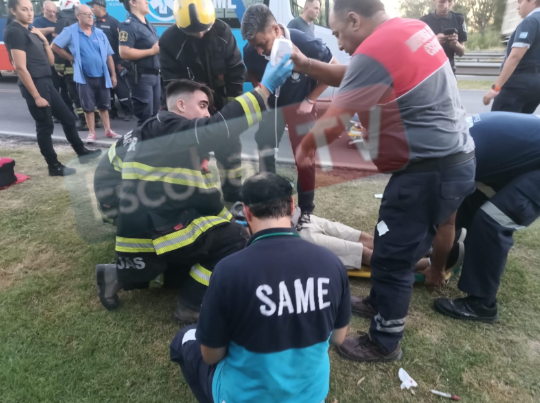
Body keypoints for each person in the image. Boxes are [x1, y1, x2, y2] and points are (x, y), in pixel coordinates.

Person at [292, 0, 476, 362]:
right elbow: (356, 75)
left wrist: (305, 149)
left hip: (427, 172)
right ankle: (378, 301)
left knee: (392, 259)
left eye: (339, 34)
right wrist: (307, 64)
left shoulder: (372, 52)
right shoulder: (412, 30)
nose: (340, 43)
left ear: (354, 20)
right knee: (391, 236)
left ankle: (384, 341)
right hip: (454, 162)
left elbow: (333, 124)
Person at [94, 57, 293, 323]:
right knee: (235, 240)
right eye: (202, 106)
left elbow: (189, 190)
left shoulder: (150, 130)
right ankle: (191, 305)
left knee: (200, 253)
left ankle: (116, 275)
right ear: (179, 105)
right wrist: (263, 90)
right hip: (152, 221)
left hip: (137, 217)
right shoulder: (167, 127)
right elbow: (217, 130)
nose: (208, 113)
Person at [170, 172, 351, 403]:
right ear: (292, 205)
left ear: (246, 211)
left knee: (184, 338)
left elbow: (210, 354)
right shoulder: (332, 263)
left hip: (243, 397)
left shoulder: (228, 271)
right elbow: (338, 338)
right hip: (311, 396)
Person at [433, 112, 540, 322]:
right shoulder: (446, 136)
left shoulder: (449, 154)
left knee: (493, 220)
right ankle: (453, 256)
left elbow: (447, 220)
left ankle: (482, 304)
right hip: (527, 155)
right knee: (470, 201)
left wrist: (436, 268)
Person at [241, 4, 338, 216]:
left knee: (304, 156)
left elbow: (334, 69)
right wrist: (261, 94)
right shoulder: (250, 51)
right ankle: (269, 203)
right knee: (265, 147)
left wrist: (310, 100)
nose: (259, 50)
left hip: (300, 105)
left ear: (276, 30)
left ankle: (306, 211)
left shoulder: (305, 43)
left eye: (262, 43)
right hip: (271, 107)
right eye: (253, 45)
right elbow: (252, 72)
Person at [160, 0, 246, 202]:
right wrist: (190, 115)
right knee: (191, 155)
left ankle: (233, 195)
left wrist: (233, 109)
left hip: (221, 104)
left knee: (230, 150)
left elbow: (235, 70)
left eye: (203, 30)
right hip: (189, 111)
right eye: (193, 32)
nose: (199, 34)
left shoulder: (222, 31)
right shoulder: (169, 41)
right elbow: (172, 85)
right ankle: (196, 198)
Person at [4, 0, 101, 176]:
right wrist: (36, 96)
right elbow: (20, 67)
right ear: (12, 10)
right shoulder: (15, 32)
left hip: (47, 81)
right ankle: (53, 165)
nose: (29, 13)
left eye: (30, 9)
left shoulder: (30, 30)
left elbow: (50, 61)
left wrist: (43, 40)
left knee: (68, 118)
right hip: (35, 85)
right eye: (24, 9)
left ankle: (82, 152)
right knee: (45, 126)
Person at [52, 4, 121, 143]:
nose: (91, 16)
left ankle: (108, 130)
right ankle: (91, 132)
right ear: (78, 16)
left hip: (102, 75)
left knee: (104, 105)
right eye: (86, 14)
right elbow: (54, 46)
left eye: (91, 14)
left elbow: (109, 56)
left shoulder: (99, 33)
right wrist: (70, 58)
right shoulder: (70, 31)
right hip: (84, 76)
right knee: (88, 106)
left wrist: (113, 75)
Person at [483, 0, 540, 113]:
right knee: (520, 127)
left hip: (518, 84)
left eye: (520, 2)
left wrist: (496, 88)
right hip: (536, 85)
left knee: (499, 126)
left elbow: (515, 57)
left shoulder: (530, 21)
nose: (518, 7)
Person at [87, 0, 133, 122]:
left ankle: (128, 112)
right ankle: (112, 112)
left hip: (114, 61)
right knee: (106, 88)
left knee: (120, 88)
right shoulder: (94, 23)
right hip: (100, 63)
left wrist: (121, 62)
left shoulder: (114, 23)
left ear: (100, 7)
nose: (91, 9)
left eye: (93, 6)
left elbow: (122, 43)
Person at [118, 0, 160, 126]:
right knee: (145, 118)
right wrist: (151, 51)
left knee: (154, 116)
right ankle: (142, 144)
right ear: (133, 2)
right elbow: (124, 52)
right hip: (141, 76)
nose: (147, 1)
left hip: (155, 75)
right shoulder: (128, 26)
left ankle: (152, 143)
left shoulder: (148, 24)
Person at [54, 0, 92, 131]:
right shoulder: (89, 21)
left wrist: (59, 67)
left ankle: (83, 121)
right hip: (90, 67)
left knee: (76, 95)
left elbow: (57, 46)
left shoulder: (63, 22)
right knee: (90, 94)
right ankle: (96, 119)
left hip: (72, 68)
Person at [33, 1, 72, 111]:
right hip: (48, 60)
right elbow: (33, 31)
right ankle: (54, 112)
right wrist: (52, 29)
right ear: (42, 10)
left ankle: (68, 111)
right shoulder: (39, 21)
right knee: (53, 87)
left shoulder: (61, 19)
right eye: (49, 11)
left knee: (66, 88)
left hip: (62, 59)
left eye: (54, 11)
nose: (52, 14)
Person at [420, 0, 467, 75]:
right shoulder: (424, 21)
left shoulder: (459, 19)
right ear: (434, 1)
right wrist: (433, 42)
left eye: (450, 1)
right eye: (442, 2)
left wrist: (456, 44)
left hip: (450, 71)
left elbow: (461, 52)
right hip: (430, 73)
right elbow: (419, 53)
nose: (446, 6)